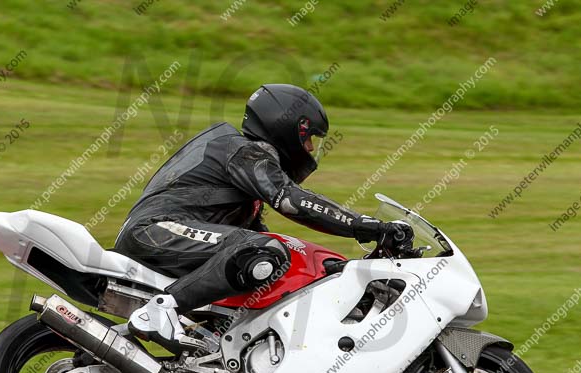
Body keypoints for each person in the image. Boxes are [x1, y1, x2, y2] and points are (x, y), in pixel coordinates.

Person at [114, 84, 412, 344]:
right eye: (308, 137)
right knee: (263, 250)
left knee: (267, 259)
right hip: (156, 230)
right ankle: (162, 309)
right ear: (285, 124)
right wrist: (368, 226)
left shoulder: (241, 176)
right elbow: (293, 201)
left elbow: (263, 236)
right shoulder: (244, 151)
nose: (309, 148)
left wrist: (334, 268)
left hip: (166, 234)